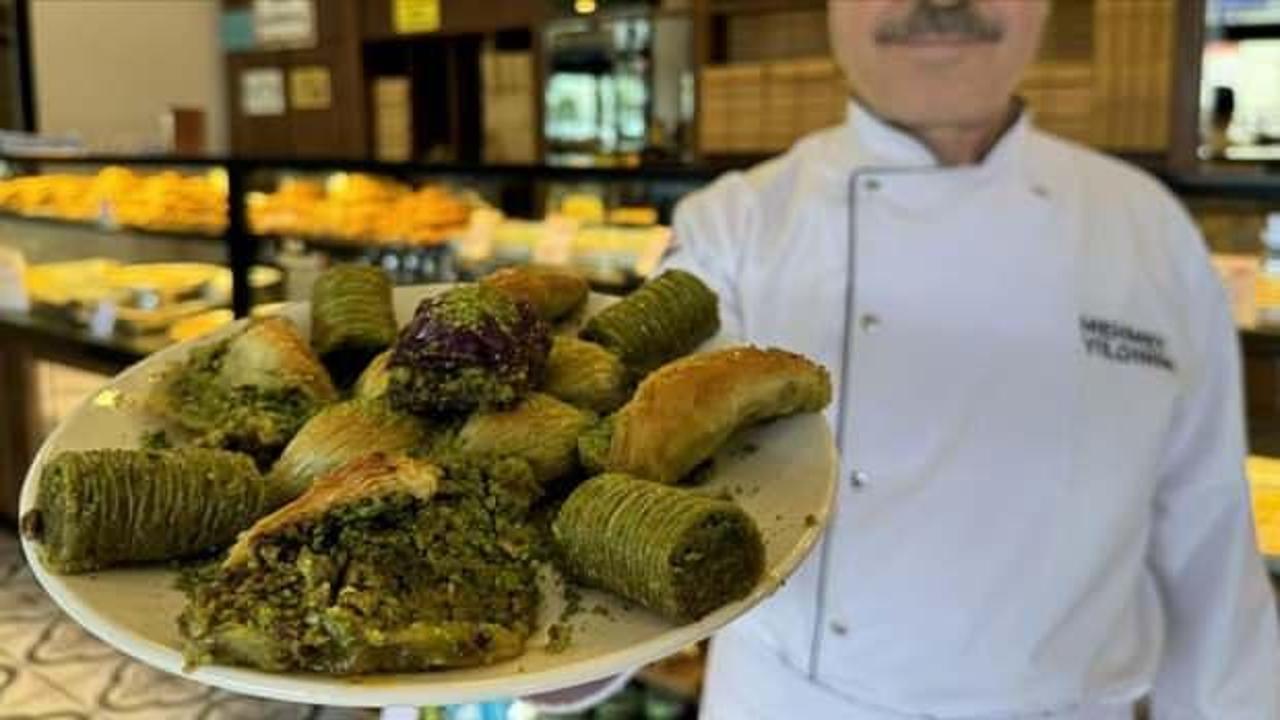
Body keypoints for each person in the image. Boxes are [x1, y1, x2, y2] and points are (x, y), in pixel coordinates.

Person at [531, 1, 1280, 717]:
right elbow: (621, 478)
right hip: (797, 707)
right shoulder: (735, 227)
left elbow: (1209, 536)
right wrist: (537, 655)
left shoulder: (1150, 232)